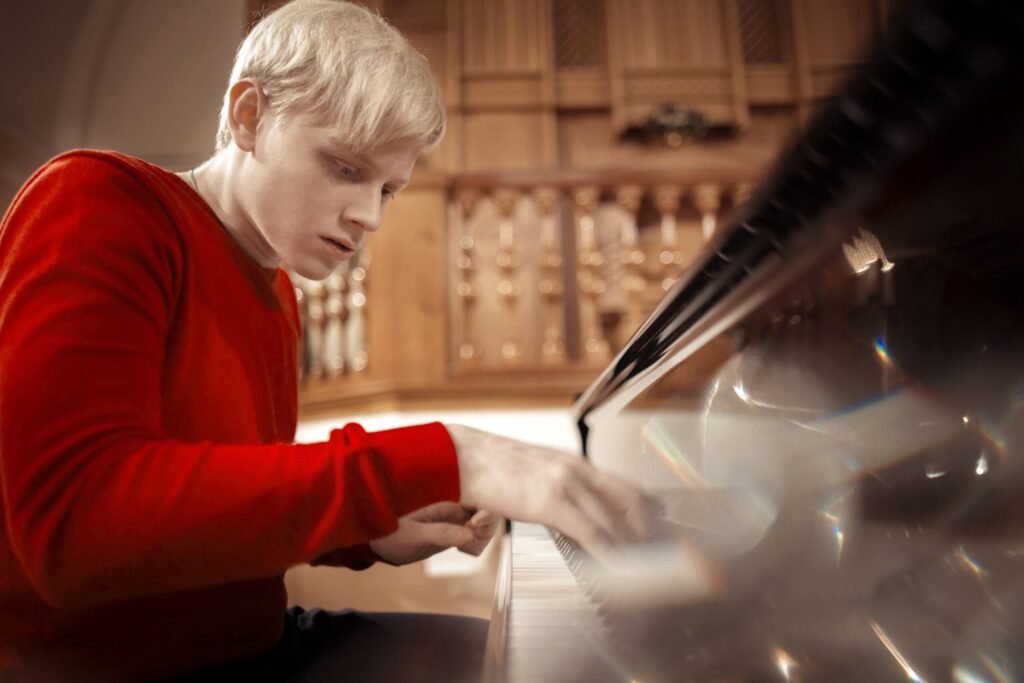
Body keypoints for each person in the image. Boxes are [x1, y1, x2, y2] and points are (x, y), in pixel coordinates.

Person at [0, 1, 650, 680]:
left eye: (389, 189)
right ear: (250, 116)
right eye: (345, 168)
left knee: (558, 666)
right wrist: (446, 454)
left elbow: (209, 505)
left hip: (260, 644)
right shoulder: (97, 200)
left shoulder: (277, 289)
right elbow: (77, 527)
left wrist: (361, 532)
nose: (368, 215)